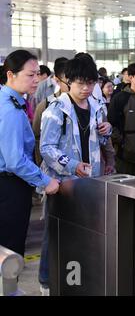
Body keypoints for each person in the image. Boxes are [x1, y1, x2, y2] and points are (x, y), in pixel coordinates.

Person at [38, 57, 112, 294]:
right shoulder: (56, 109)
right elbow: (46, 149)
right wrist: (71, 165)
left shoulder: (97, 107)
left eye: (90, 83)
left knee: (84, 233)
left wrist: (106, 130)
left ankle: (79, 278)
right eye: (80, 83)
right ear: (68, 81)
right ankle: (47, 281)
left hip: (91, 182)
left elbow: (99, 140)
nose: (86, 88)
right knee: (55, 234)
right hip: (62, 183)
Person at [0, 50, 59, 258]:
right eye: (30, 75)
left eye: (37, 74)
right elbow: (15, 160)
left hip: (10, 184)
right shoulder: (9, 109)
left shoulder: (11, 100)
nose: (36, 80)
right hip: (10, 187)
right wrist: (45, 181)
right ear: (10, 75)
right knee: (10, 248)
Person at [32, 57, 69, 166]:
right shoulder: (46, 105)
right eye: (69, 82)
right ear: (57, 80)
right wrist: (41, 164)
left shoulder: (88, 104)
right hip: (54, 170)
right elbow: (37, 137)